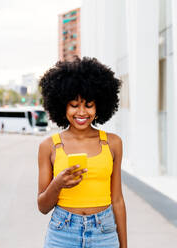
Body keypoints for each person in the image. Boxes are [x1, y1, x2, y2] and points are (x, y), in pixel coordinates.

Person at [37, 57, 127, 248]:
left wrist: (124, 246)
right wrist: (58, 184)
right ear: (62, 106)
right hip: (62, 232)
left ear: (99, 106)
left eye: (88, 105)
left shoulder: (113, 143)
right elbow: (43, 206)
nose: (82, 112)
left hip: (104, 233)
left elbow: (117, 200)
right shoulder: (49, 146)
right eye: (74, 105)